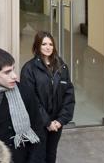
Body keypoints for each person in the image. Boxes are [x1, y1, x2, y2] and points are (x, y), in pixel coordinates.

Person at [20, 32, 75, 163]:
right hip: (38, 123)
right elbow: (31, 99)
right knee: (37, 155)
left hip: (56, 123)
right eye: (44, 44)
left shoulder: (62, 67)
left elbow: (69, 94)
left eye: (50, 44)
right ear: (37, 46)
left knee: (51, 154)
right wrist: (47, 122)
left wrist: (60, 120)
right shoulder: (29, 68)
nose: (48, 47)